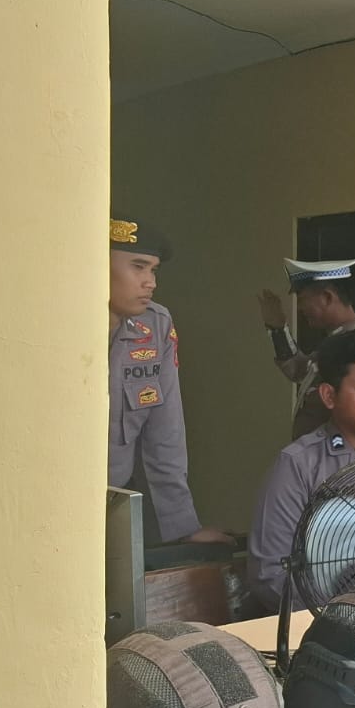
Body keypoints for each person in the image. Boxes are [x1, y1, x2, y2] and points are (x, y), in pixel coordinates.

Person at [246, 329, 355, 612]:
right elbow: (270, 574)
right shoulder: (298, 465)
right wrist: (340, 615)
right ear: (329, 395)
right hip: (327, 618)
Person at [107, 216, 229, 545]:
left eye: (154, 270)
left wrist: (182, 529)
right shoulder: (58, 325)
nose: (150, 282)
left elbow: (165, 433)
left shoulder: (156, 325)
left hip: (112, 505)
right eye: (138, 267)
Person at [257, 258, 355, 440]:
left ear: (327, 297)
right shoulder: (336, 342)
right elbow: (299, 370)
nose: (299, 308)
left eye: (302, 300)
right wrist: (278, 329)